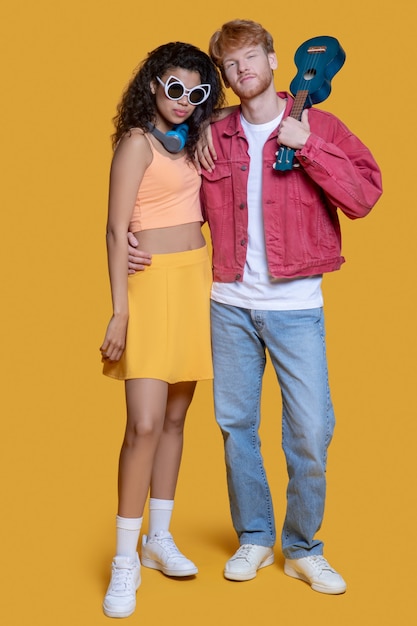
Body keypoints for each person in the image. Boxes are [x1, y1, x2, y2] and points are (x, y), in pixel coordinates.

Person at [128, 20, 382, 595]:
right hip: (229, 304)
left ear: (272, 58)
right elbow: (166, 180)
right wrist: (136, 234)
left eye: (250, 59)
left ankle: (303, 547)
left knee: (311, 432)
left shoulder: (318, 123)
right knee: (236, 427)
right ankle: (256, 536)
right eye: (231, 66)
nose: (242, 72)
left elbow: (365, 195)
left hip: (296, 306)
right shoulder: (214, 132)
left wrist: (308, 146)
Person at [100, 41, 224, 618]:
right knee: (143, 423)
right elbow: (113, 229)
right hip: (149, 290)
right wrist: (120, 309)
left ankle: (159, 539)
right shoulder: (135, 143)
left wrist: (210, 107)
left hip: (196, 280)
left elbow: (244, 106)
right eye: (174, 88)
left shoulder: (193, 138)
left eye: (195, 92)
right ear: (153, 84)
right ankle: (125, 561)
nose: (183, 101)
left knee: (176, 418)